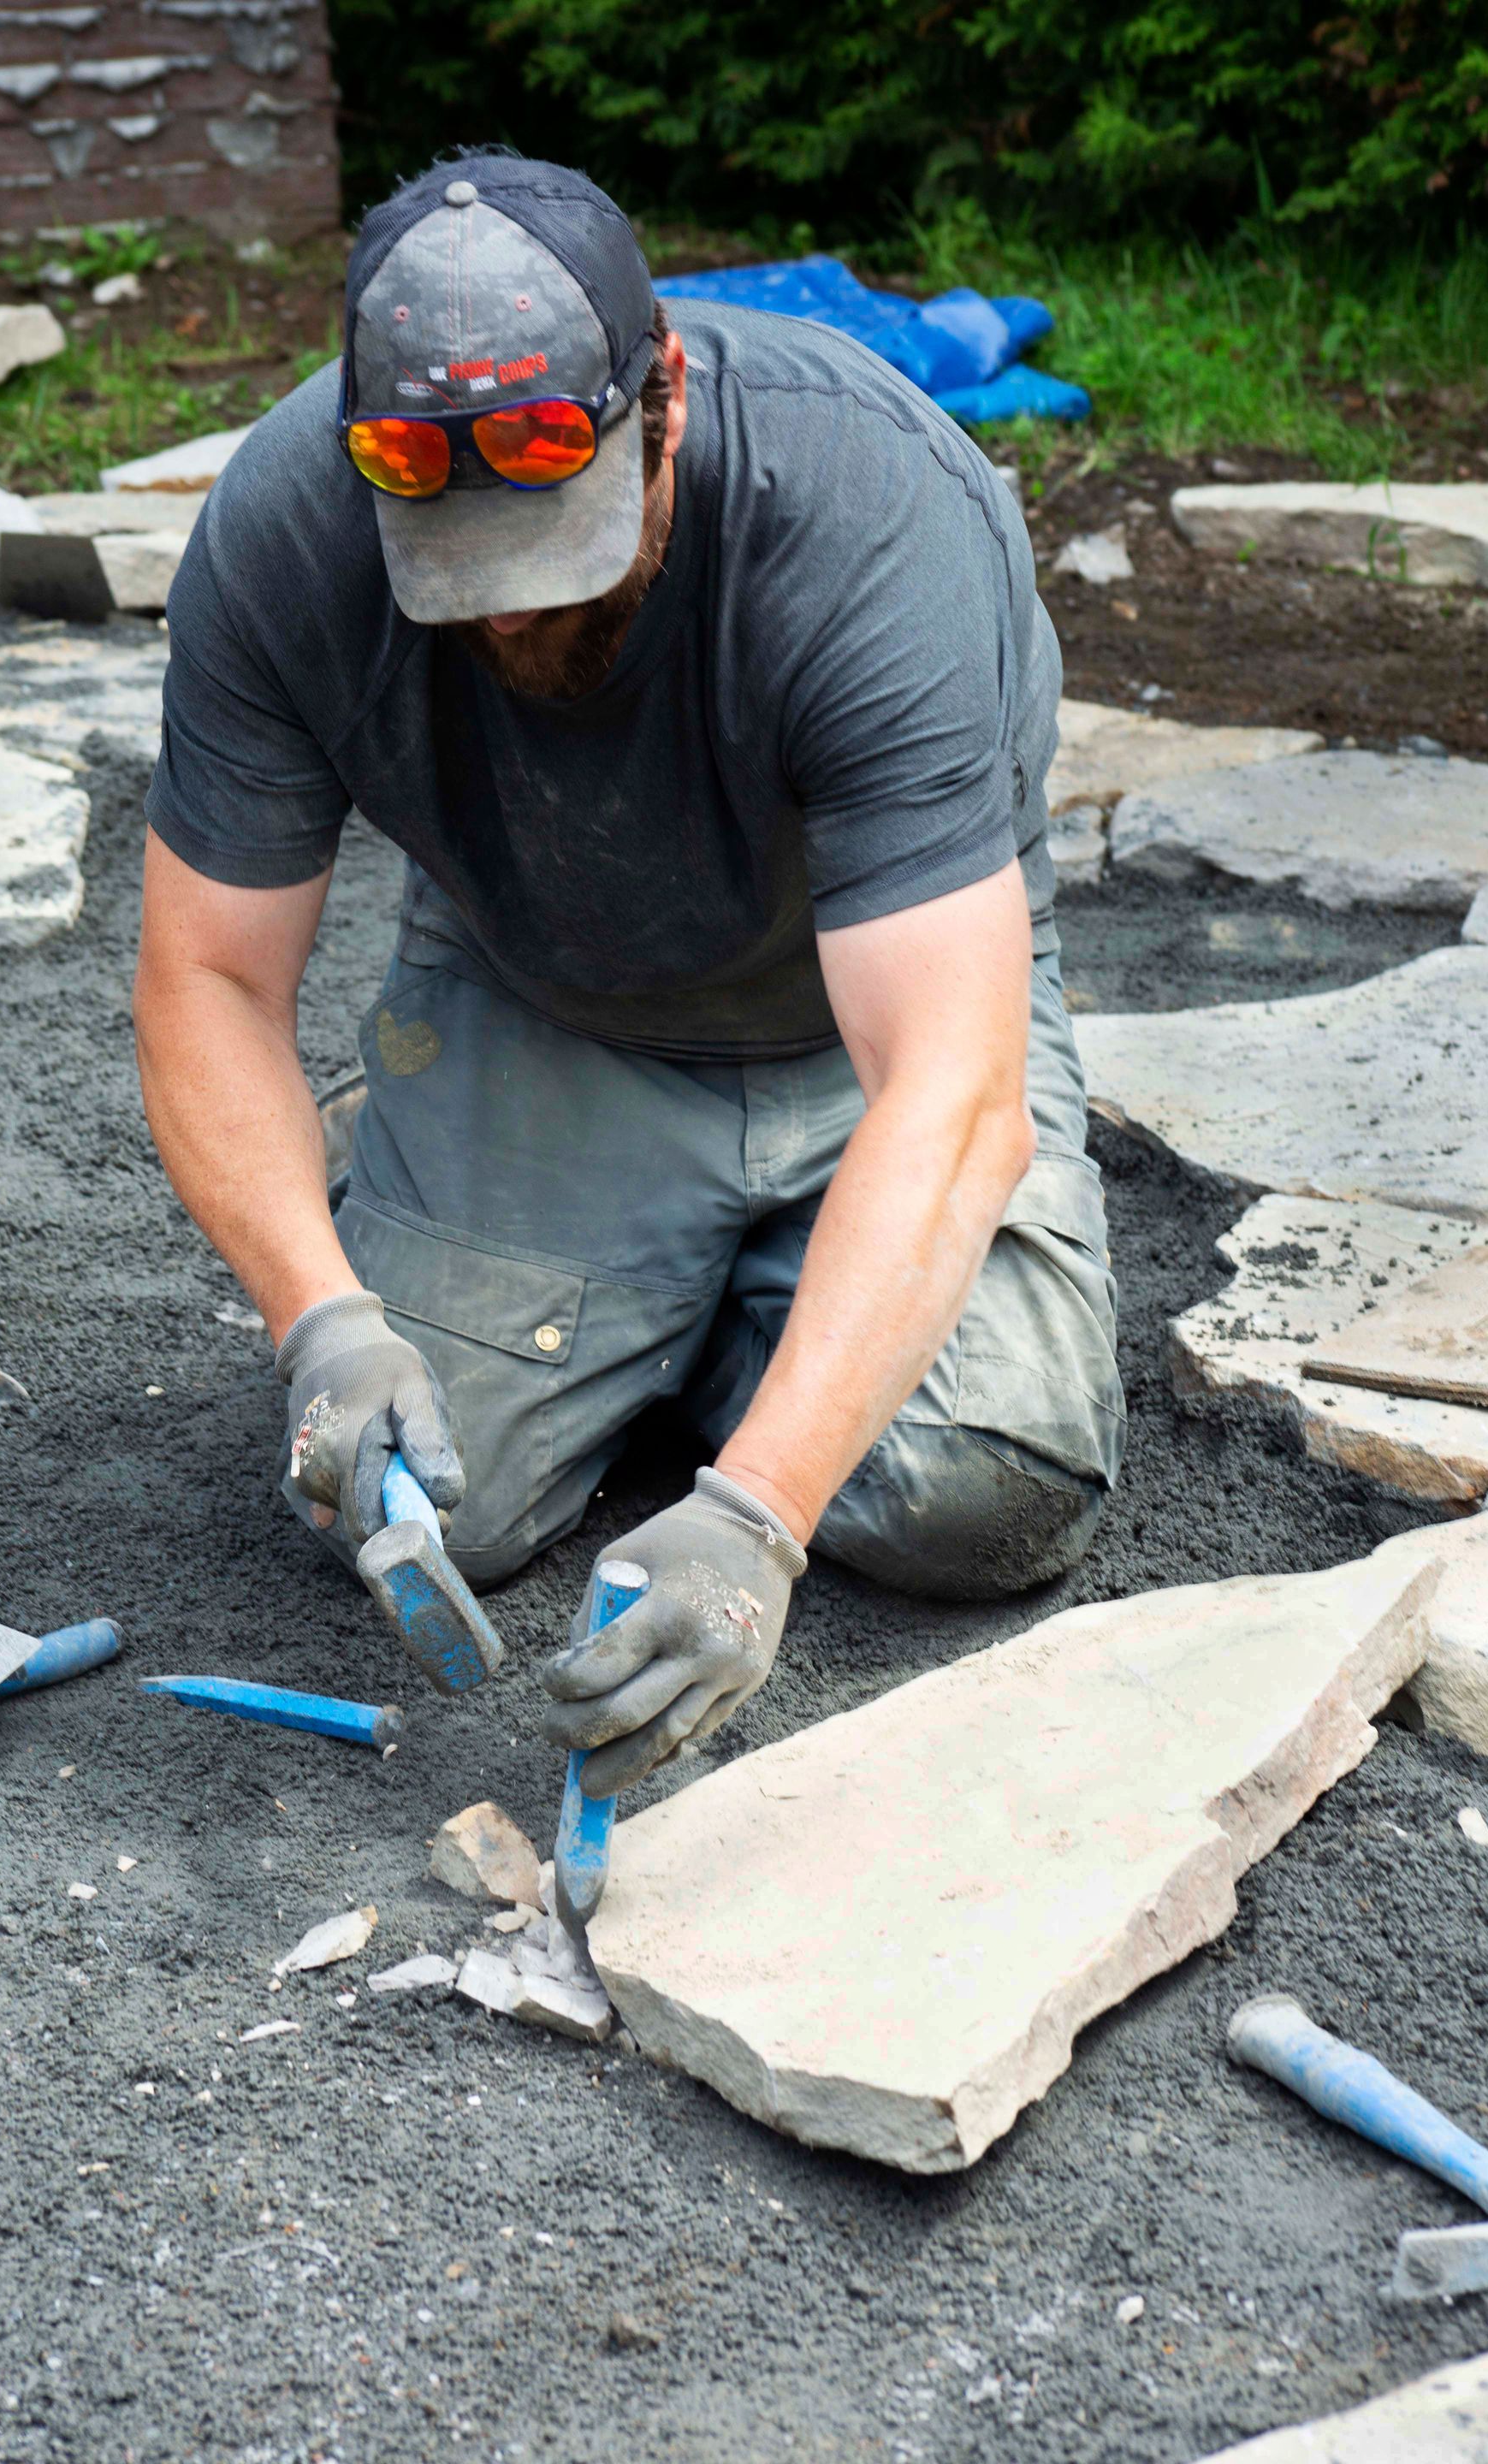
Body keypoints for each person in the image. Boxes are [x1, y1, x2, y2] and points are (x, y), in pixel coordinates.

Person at [133, 151, 1125, 1800]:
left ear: (658, 399)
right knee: (394, 1490)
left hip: (855, 1023)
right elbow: (208, 985)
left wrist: (758, 1517)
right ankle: (663, 1262)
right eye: (463, 574)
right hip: (548, 996)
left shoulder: (871, 517)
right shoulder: (284, 534)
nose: (512, 627)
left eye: (557, 550)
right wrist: (321, 1319)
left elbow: (948, 1086)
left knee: (983, 1487)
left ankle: (714, 1301)